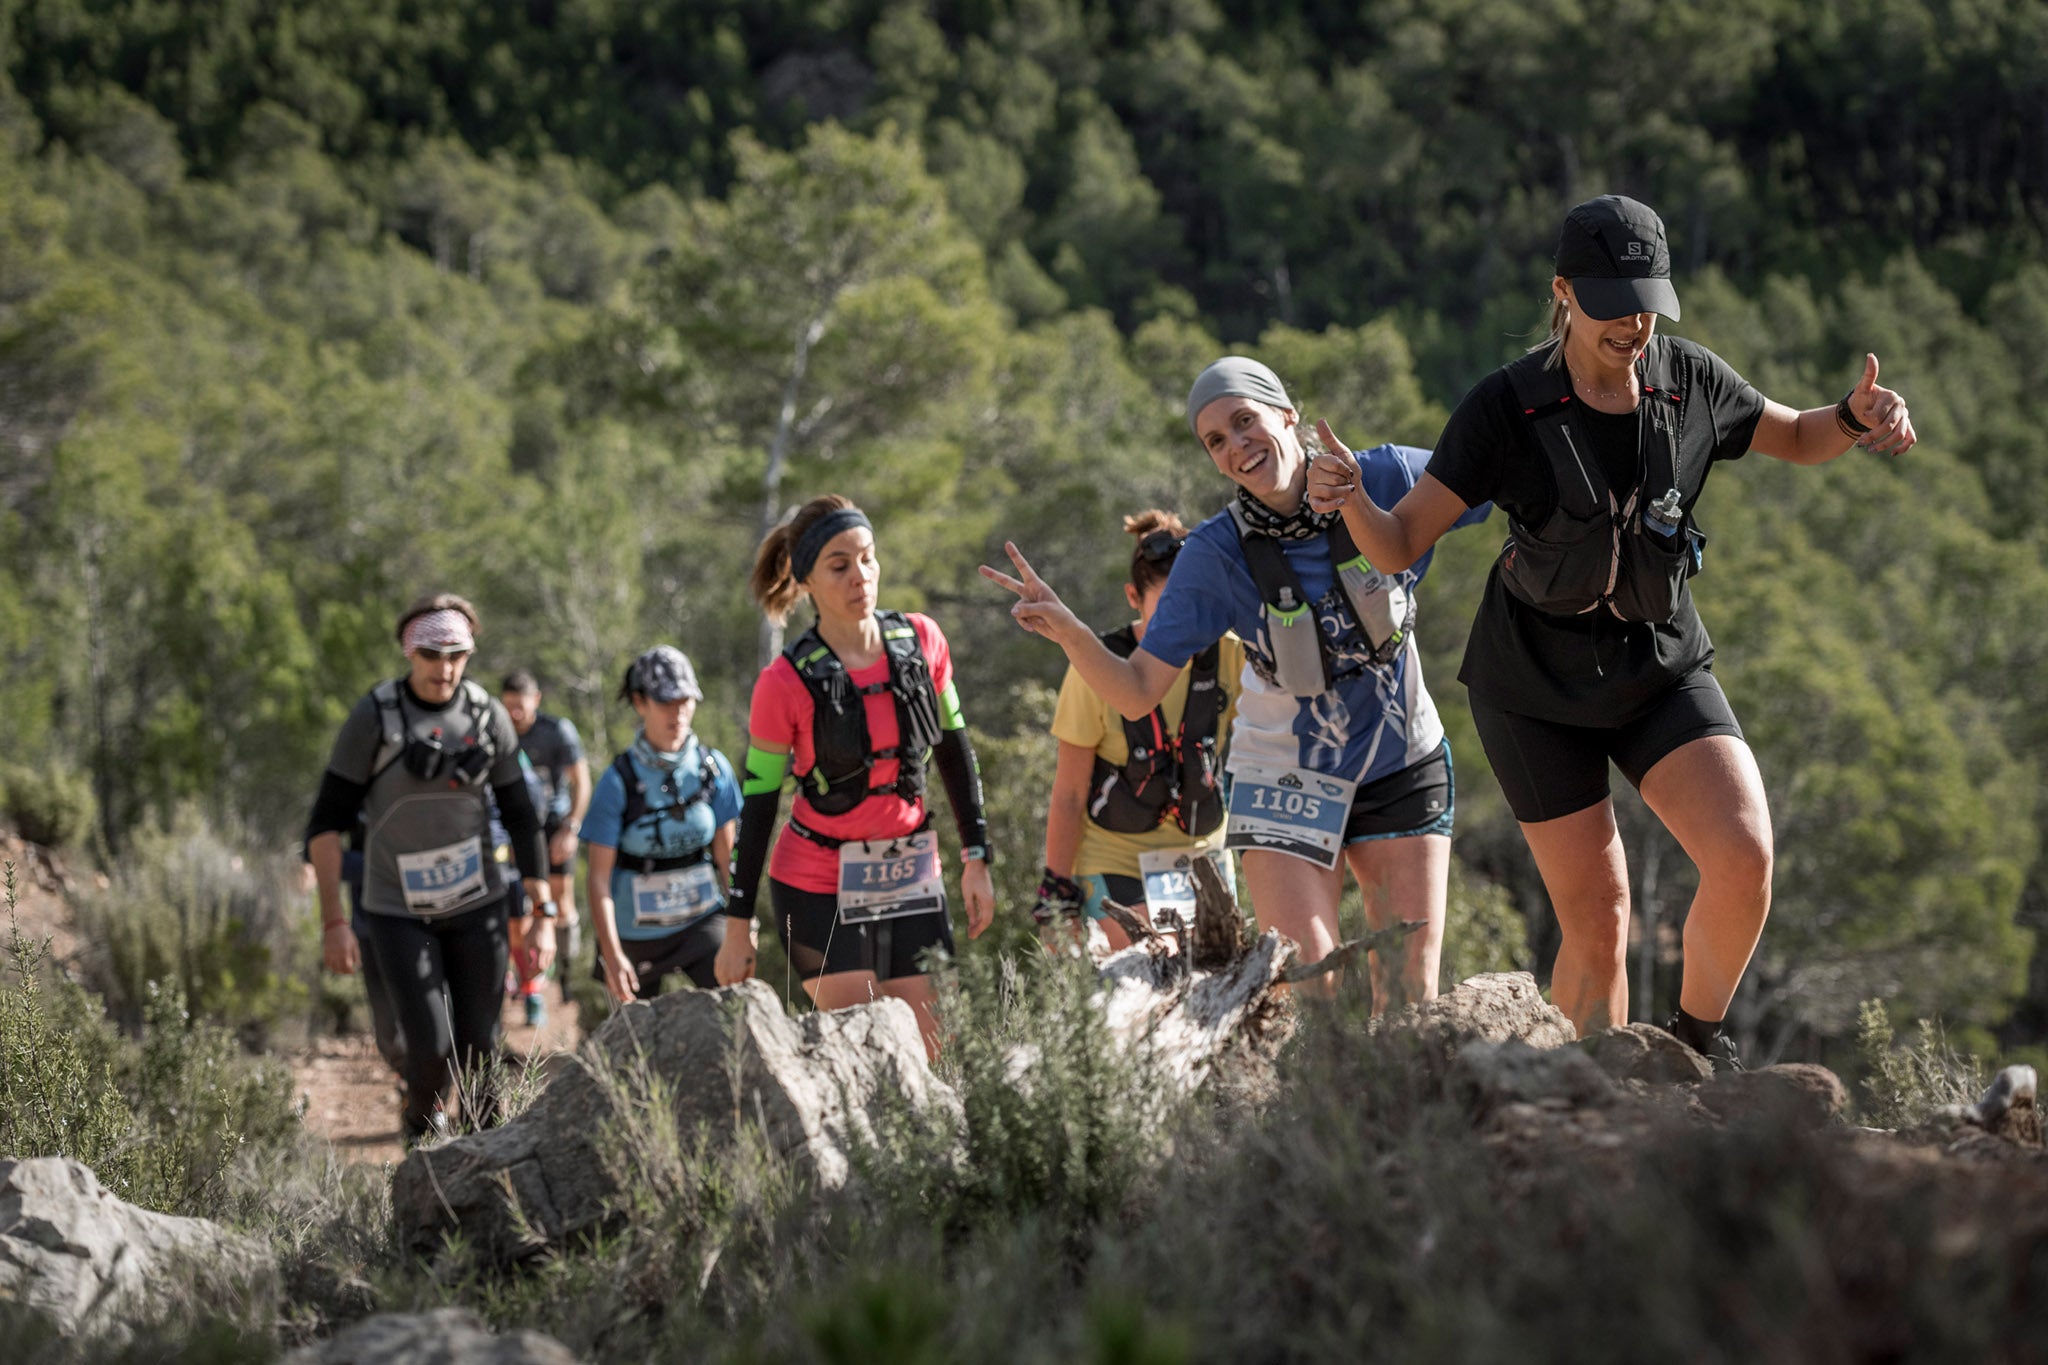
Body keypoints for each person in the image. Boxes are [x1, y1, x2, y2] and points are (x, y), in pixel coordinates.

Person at [1301, 194, 1916, 1062]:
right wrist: (1353, 501)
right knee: (1601, 916)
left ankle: (1695, 1047)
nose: (1633, 322)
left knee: (1744, 856)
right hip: (1533, 686)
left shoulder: (1690, 379)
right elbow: (1400, 541)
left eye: (1647, 301)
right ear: (1562, 292)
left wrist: (1856, 417)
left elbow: (1797, 435)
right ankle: (1596, 1088)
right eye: (1610, 300)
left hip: (1656, 662)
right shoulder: (1504, 409)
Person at [985, 360, 1490, 1008]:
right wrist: (1071, 632)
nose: (1235, 445)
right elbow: (1138, 689)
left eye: (1244, 420)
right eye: (1215, 440)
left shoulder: (1385, 474)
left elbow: (1497, 477)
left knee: (1409, 996)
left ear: (1287, 414)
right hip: (1286, 776)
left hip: (1400, 760)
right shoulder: (1214, 554)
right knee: (1313, 988)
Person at [725, 495, 996, 1058]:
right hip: (816, 882)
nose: (861, 577)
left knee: (932, 1054)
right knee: (870, 1056)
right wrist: (737, 924)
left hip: (910, 872)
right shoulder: (783, 683)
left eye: (868, 559)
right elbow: (758, 806)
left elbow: (954, 749)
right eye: (840, 565)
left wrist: (977, 857)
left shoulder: (922, 641)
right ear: (806, 581)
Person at [305, 594, 556, 1141]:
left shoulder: (487, 716)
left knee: (482, 1053)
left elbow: (521, 817)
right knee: (430, 1052)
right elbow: (324, 825)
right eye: (431, 654)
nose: (444, 668)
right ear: (408, 652)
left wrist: (544, 912)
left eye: (457, 655)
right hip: (398, 912)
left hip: (478, 907)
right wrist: (332, 922)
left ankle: (491, 1171)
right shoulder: (375, 717)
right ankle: (423, 1149)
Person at [1035, 510, 1247, 950]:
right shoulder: (1095, 666)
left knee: (1215, 976)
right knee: (1157, 960)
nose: (1186, 623)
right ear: (1134, 596)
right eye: (1169, 607)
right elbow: (1071, 793)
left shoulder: (1232, 654)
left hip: (1201, 854)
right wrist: (1056, 894)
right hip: (1117, 857)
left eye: (1197, 603)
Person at [582, 646, 743, 1003]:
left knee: (736, 1014)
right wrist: (611, 954)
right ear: (640, 703)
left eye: (687, 700)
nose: (680, 712)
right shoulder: (617, 781)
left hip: (702, 923)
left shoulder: (713, 768)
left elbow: (727, 858)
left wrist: (742, 926)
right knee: (634, 1046)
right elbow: (598, 878)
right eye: (667, 701)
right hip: (634, 934)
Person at [501, 671, 591, 1021]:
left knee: (561, 904)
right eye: (508, 707)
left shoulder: (557, 731)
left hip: (554, 824)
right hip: (515, 829)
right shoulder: (501, 731)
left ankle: (568, 975)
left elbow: (580, 781)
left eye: (520, 707)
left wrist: (571, 827)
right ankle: (530, 986)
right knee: (521, 911)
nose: (514, 715)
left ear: (535, 700)